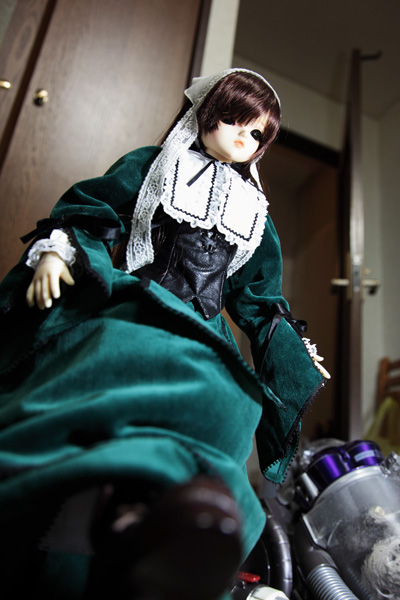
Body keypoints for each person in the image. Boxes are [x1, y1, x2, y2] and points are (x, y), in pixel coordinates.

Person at [0, 69, 329, 599]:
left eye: (257, 134)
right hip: (141, 302)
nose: (244, 138)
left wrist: (294, 352)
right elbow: (93, 209)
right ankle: (78, 516)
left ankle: (181, 528)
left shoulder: (254, 212)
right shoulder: (154, 166)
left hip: (207, 329)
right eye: (234, 120)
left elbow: (259, 300)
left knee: (231, 403)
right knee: (109, 366)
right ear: (206, 112)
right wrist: (59, 250)